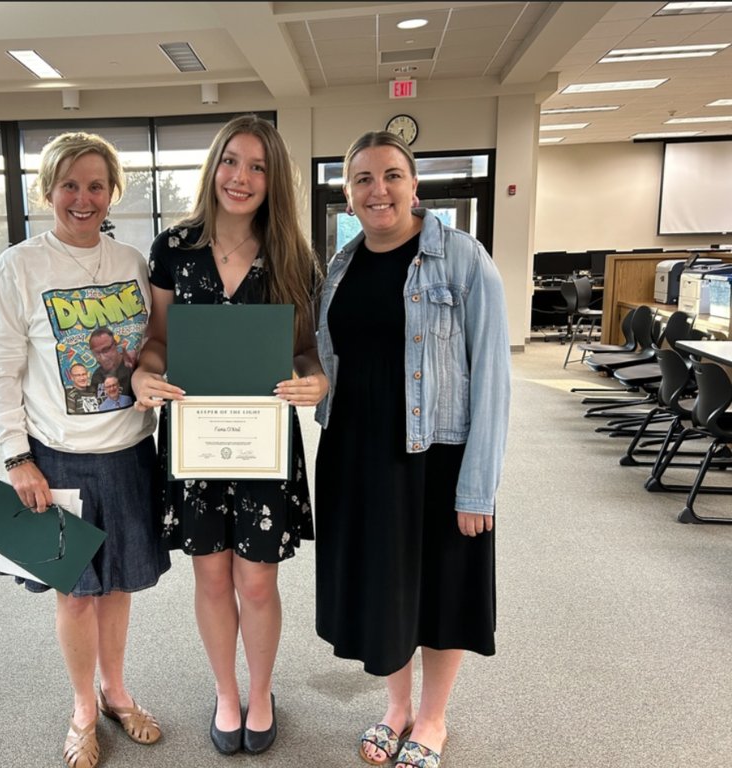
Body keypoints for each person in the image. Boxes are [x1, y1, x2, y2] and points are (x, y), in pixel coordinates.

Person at [131, 114, 327, 756]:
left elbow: (304, 354)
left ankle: (261, 692)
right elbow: (159, 342)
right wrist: (144, 376)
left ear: (275, 182)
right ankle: (224, 692)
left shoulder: (295, 256)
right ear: (214, 165)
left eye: (258, 167)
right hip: (195, 441)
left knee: (259, 581)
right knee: (212, 579)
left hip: (262, 443)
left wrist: (314, 381)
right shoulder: (174, 248)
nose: (241, 178)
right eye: (231, 161)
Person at [313, 131, 510, 768]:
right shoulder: (341, 265)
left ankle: (432, 718)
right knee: (384, 586)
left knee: (443, 588)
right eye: (364, 178)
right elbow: (331, 362)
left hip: (437, 453)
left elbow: (493, 379)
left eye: (392, 175)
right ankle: (396, 707)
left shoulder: (461, 258)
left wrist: (477, 485)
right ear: (348, 194)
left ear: (414, 184)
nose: (379, 190)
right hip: (356, 452)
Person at [0, 131, 170, 768]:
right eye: (69, 185)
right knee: (75, 593)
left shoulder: (133, 263)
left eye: (95, 185)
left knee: (118, 588)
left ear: (112, 191)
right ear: (48, 191)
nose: (82, 198)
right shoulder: (19, 266)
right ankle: (83, 707)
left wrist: (147, 375)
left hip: (128, 452)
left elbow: (148, 350)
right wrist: (16, 457)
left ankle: (117, 691)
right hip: (54, 457)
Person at [88, 327, 136, 397]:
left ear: (115, 344)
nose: (103, 358)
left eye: (106, 350)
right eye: (97, 353)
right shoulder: (97, 376)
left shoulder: (131, 364)